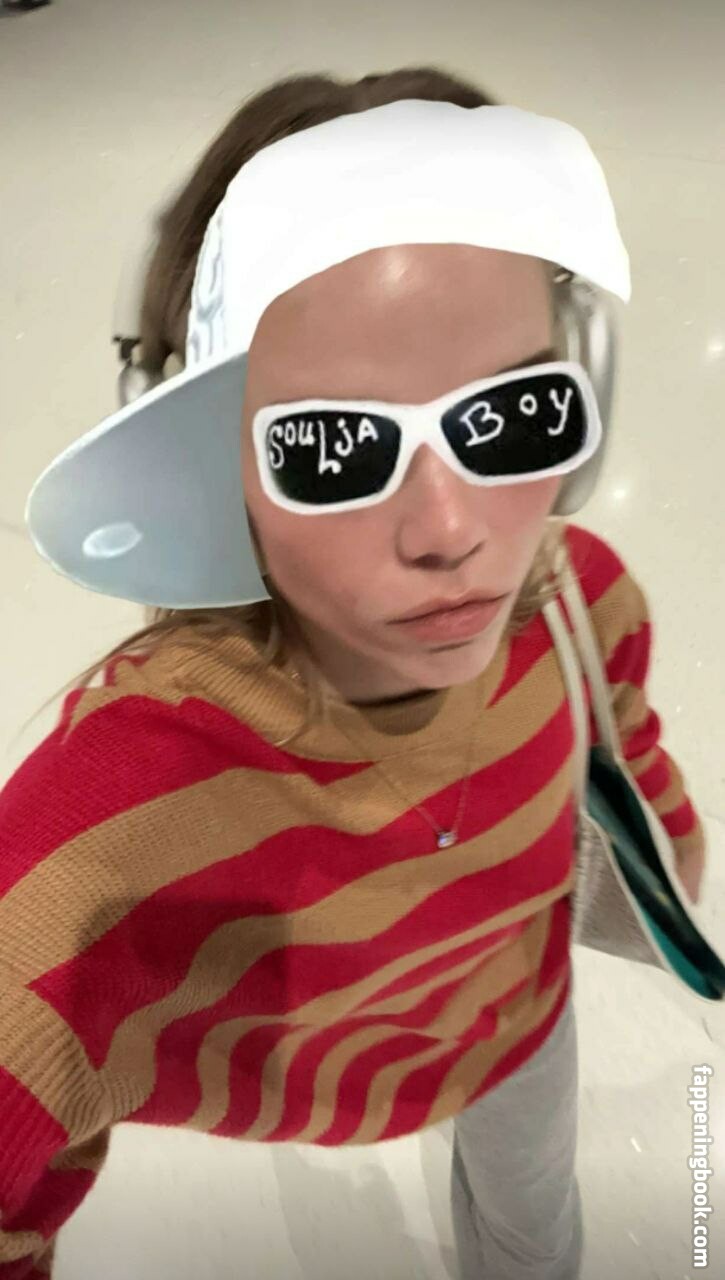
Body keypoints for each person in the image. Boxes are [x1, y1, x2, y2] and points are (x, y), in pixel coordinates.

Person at [0, 67, 707, 1279]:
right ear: (207, 462)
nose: (449, 530)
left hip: (519, 1010)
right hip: (375, 1059)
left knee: (535, 1232)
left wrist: (663, 851)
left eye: (510, 416)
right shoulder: (109, 827)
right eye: (333, 446)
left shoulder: (574, 601)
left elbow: (624, 754)